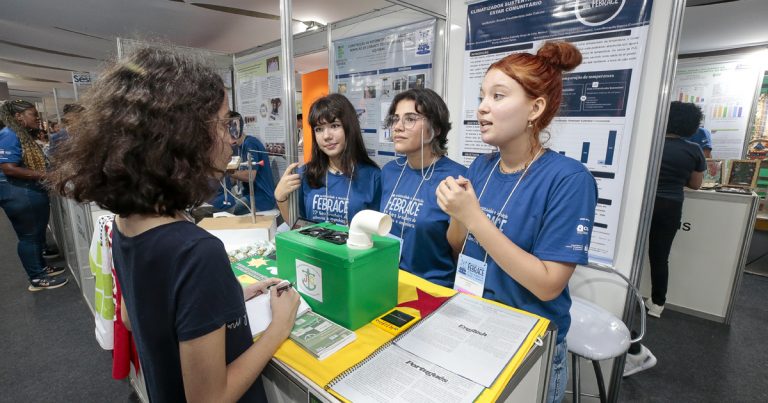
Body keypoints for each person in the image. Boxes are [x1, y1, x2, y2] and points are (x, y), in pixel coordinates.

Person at [47, 46, 300, 401]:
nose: (231, 136)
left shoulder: (125, 223)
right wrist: (279, 327)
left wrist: (227, 297)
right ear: (185, 135)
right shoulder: (196, 251)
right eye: (225, 122)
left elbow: (133, 317)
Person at [436, 42, 596, 403]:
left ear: (535, 108)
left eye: (498, 95)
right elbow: (460, 245)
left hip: (527, 341)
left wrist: (474, 216)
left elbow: (547, 284)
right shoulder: (480, 167)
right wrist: (458, 214)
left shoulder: (568, 179)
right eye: (482, 96)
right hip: (472, 322)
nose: (482, 107)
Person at [623, 102, 706, 378]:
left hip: (643, 203)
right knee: (659, 256)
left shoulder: (650, 144)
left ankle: (624, 299)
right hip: (671, 205)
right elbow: (696, 184)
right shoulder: (693, 150)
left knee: (629, 253)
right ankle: (657, 304)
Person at [380, 89, 466, 287]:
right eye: (395, 119)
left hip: (431, 289)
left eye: (410, 119)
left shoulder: (456, 178)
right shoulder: (390, 171)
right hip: (387, 280)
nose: (398, 127)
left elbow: (461, 250)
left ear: (435, 129)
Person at [275, 94, 381, 226]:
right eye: (319, 129)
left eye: (335, 126)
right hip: (313, 246)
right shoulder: (307, 174)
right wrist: (281, 198)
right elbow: (298, 227)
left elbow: (377, 233)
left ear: (350, 127)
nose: (326, 136)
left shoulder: (372, 177)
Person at [0, 99, 68, 291]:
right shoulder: (9, 135)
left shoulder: (21, 134)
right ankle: (37, 277)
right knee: (29, 236)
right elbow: (8, 168)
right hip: (18, 193)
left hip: (27, 191)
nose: (38, 119)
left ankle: (41, 267)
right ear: (18, 117)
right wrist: (47, 175)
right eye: (33, 115)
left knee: (37, 234)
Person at [209, 111, 276, 215]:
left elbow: (250, 176)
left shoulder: (250, 144)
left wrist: (226, 171)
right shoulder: (240, 147)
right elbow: (235, 179)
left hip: (262, 199)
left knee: (228, 212)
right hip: (249, 196)